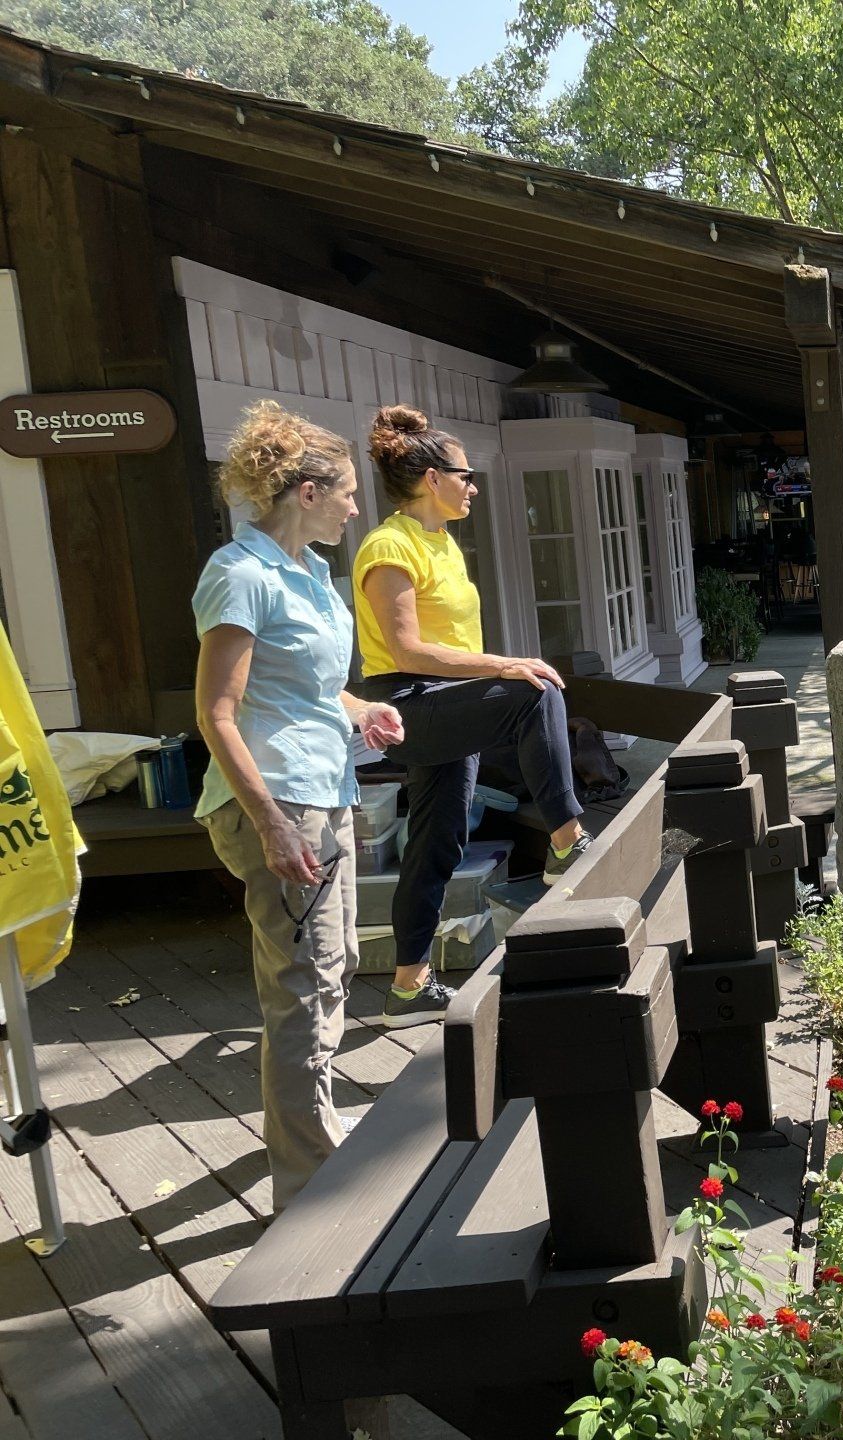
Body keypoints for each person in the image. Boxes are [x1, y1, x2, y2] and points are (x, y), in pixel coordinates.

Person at [193, 402, 406, 1211]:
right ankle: (312, 1189)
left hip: (327, 787)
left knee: (335, 964)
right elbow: (217, 713)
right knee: (303, 986)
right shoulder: (240, 575)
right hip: (278, 799)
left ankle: (309, 1137)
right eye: (347, 493)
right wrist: (271, 823)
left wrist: (360, 709)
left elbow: (308, 688)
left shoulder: (308, 572)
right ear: (307, 493)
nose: (355, 508)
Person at [353, 405, 590, 1029]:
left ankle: (408, 988)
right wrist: (503, 665)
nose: (473, 487)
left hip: (445, 701)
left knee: (437, 841)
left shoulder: (441, 542)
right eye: (465, 475)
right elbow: (406, 650)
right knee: (536, 690)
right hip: (409, 703)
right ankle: (567, 841)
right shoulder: (388, 546)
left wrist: (490, 673)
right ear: (432, 478)